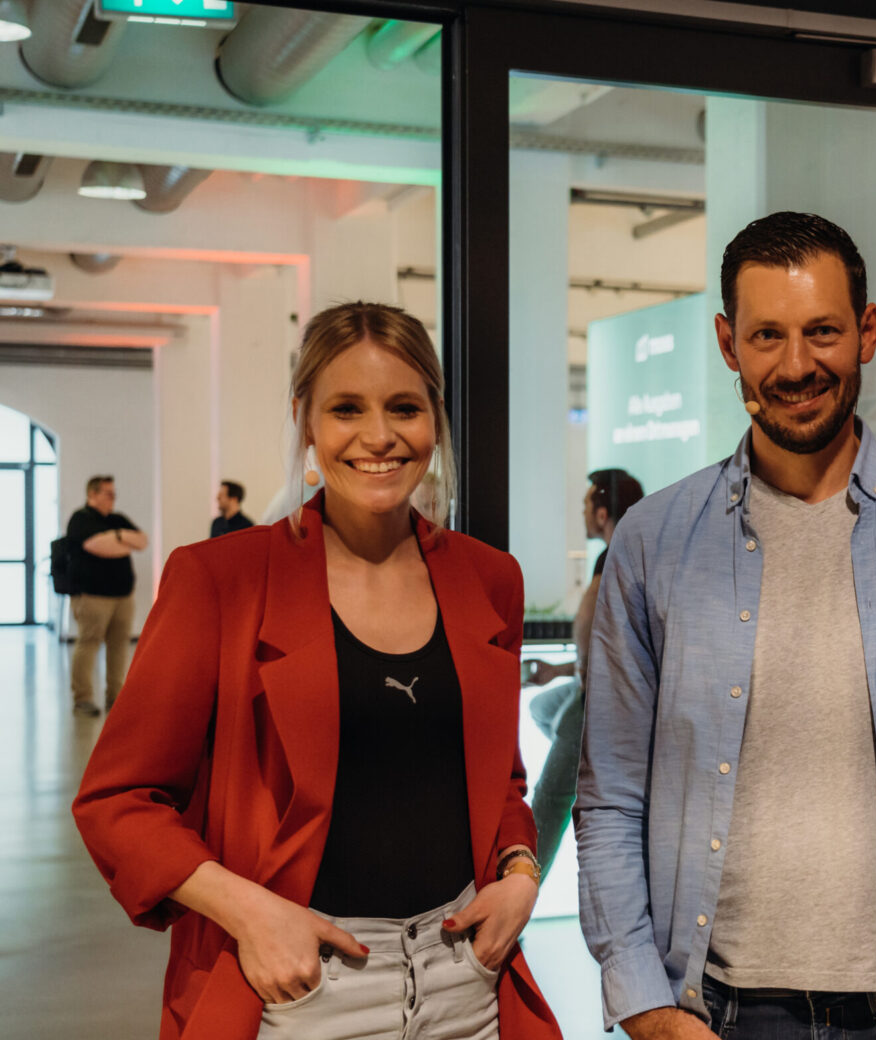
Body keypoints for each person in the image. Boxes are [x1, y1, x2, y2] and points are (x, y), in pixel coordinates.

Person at [577, 212, 876, 1040]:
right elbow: (610, 794)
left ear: (867, 332)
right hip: (716, 1011)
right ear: (728, 343)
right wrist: (639, 995)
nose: (795, 366)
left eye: (822, 331)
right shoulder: (652, 543)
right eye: (767, 336)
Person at [73, 302, 562, 1040]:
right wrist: (250, 913)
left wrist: (521, 873)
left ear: (436, 420)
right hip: (296, 989)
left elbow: (499, 780)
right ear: (305, 419)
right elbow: (119, 801)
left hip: (468, 983)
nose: (379, 436)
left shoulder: (489, 578)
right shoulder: (222, 580)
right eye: (346, 409)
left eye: (405, 408)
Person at [524, 466, 645, 875]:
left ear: (601, 513)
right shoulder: (620, 553)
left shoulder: (620, 553)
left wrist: (586, 677)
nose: (582, 514)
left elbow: (590, 625)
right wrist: (559, 670)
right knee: (542, 707)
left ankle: (520, 896)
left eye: (585, 505)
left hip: (604, 701)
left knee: (550, 796)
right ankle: (589, 767)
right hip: (598, 689)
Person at [66, 474, 147, 717]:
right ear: (92, 494)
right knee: (88, 643)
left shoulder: (117, 519)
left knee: (119, 646)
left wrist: (117, 536)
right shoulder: (81, 519)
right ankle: (83, 698)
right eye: (108, 493)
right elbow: (97, 547)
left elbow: (142, 540)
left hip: (123, 595)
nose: (113, 497)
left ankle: (115, 696)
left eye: (114, 493)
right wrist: (122, 541)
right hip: (92, 596)